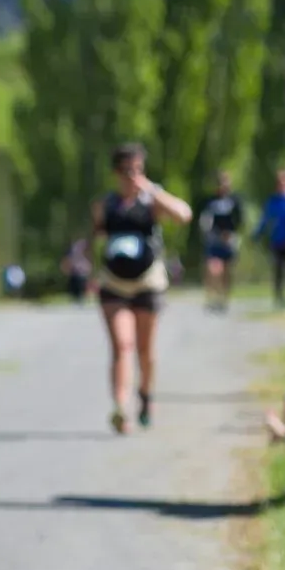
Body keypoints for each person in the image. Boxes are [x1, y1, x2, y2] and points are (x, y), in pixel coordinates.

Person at [91, 142, 193, 434]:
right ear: (115, 173)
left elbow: (184, 215)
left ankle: (146, 396)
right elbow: (95, 236)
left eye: (137, 170)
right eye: (126, 171)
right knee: (122, 345)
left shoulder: (152, 201)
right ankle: (121, 408)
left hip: (148, 280)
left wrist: (151, 189)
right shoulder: (106, 204)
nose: (131, 176)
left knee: (145, 349)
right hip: (113, 282)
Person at [253, 169, 285, 310]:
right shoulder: (273, 201)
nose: (283, 185)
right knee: (279, 269)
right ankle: (278, 298)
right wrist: (257, 234)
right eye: (281, 182)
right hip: (279, 240)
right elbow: (265, 219)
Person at [198, 170, 243, 313]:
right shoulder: (210, 201)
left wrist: (232, 233)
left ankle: (224, 298)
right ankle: (212, 296)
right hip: (214, 239)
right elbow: (204, 220)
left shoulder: (234, 200)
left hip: (229, 239)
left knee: (226, 271)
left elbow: (240, 219)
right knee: (213, 268)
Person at [61, 238, 93, 303]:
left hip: (83, 269)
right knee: (76, 284)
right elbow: (68, 259)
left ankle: (80, 297)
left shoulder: (83, 246)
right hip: (77, 270)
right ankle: (76, 297)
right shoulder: (74, 249)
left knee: (81, 284)